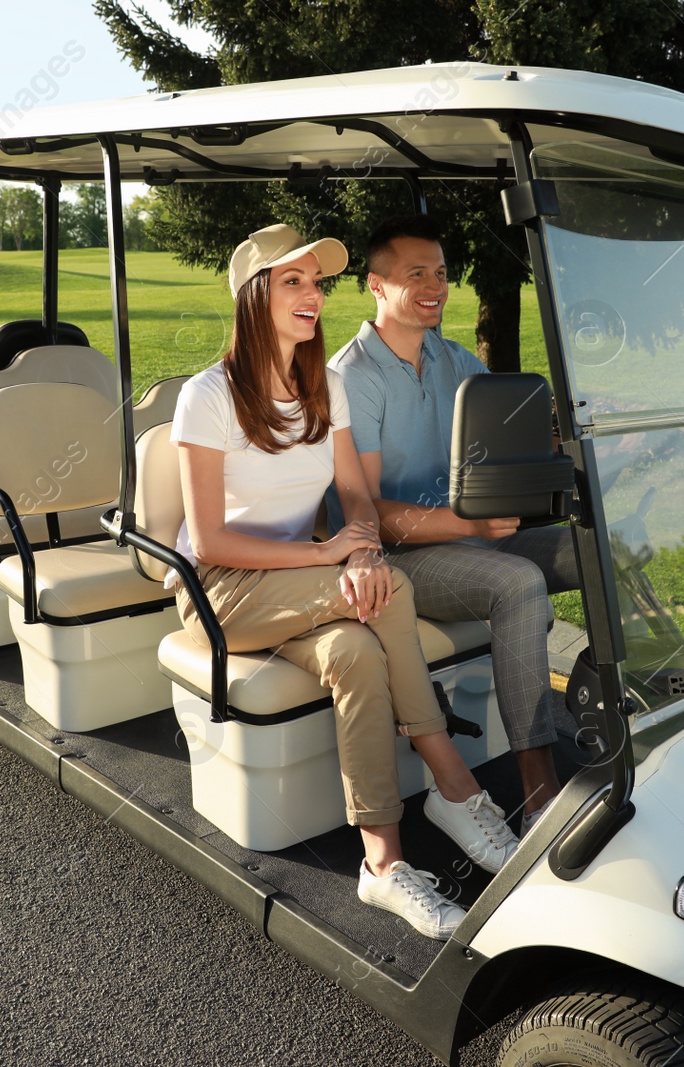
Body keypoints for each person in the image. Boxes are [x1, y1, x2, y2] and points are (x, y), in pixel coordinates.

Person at [167, 223, 520, 941]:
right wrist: (336, 557)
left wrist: (360, 551)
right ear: (253, 295)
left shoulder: (325, 384)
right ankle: (454, 783)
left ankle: (382, 863)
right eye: (292, 280)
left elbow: (357, 495)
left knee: (356, 651)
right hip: (221, 590)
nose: (313, 295)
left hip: (300, 579)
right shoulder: (207, 396)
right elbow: (209, 540)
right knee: (393, 592)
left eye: (317, 282)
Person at [328, 215, 578, 834]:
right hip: (393, 556)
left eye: (440, 273)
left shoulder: (455, 358)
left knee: (598, 550)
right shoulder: (352, 378)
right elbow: (373, 517)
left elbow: (508, 442)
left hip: (469, 533)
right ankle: (540, 793)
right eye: (417, 274)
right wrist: (470, 526)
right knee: (519, 582)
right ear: (376, 286)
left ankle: (644, 720)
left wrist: (576, 442)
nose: (435, 285)